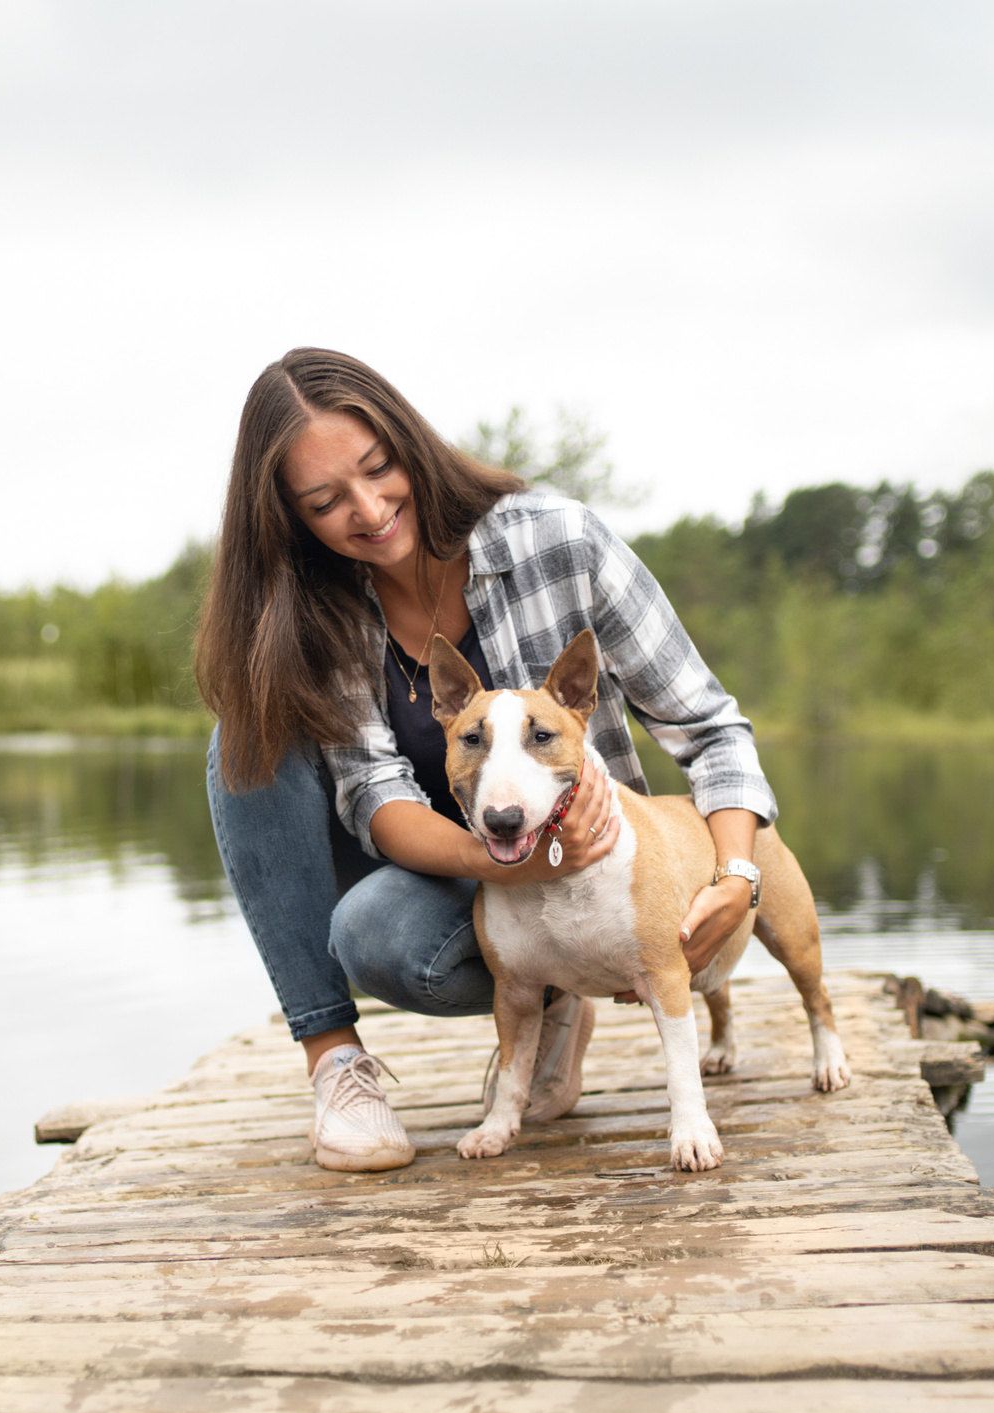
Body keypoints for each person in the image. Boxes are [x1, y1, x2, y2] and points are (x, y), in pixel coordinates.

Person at [196, 348, 778, 1173]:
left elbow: (711, 727)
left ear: (411, 442)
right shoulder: (317, 614)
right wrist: (506, 864)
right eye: (326, 501)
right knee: (245, 745)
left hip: (587, 865)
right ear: (290, 518)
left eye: (378, 467)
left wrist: (735, 874)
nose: (369, 509)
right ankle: (337, 1064)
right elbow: (374, 793)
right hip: (456, 865)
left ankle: (556, 990)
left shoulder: (559, 541)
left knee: (429, 919)